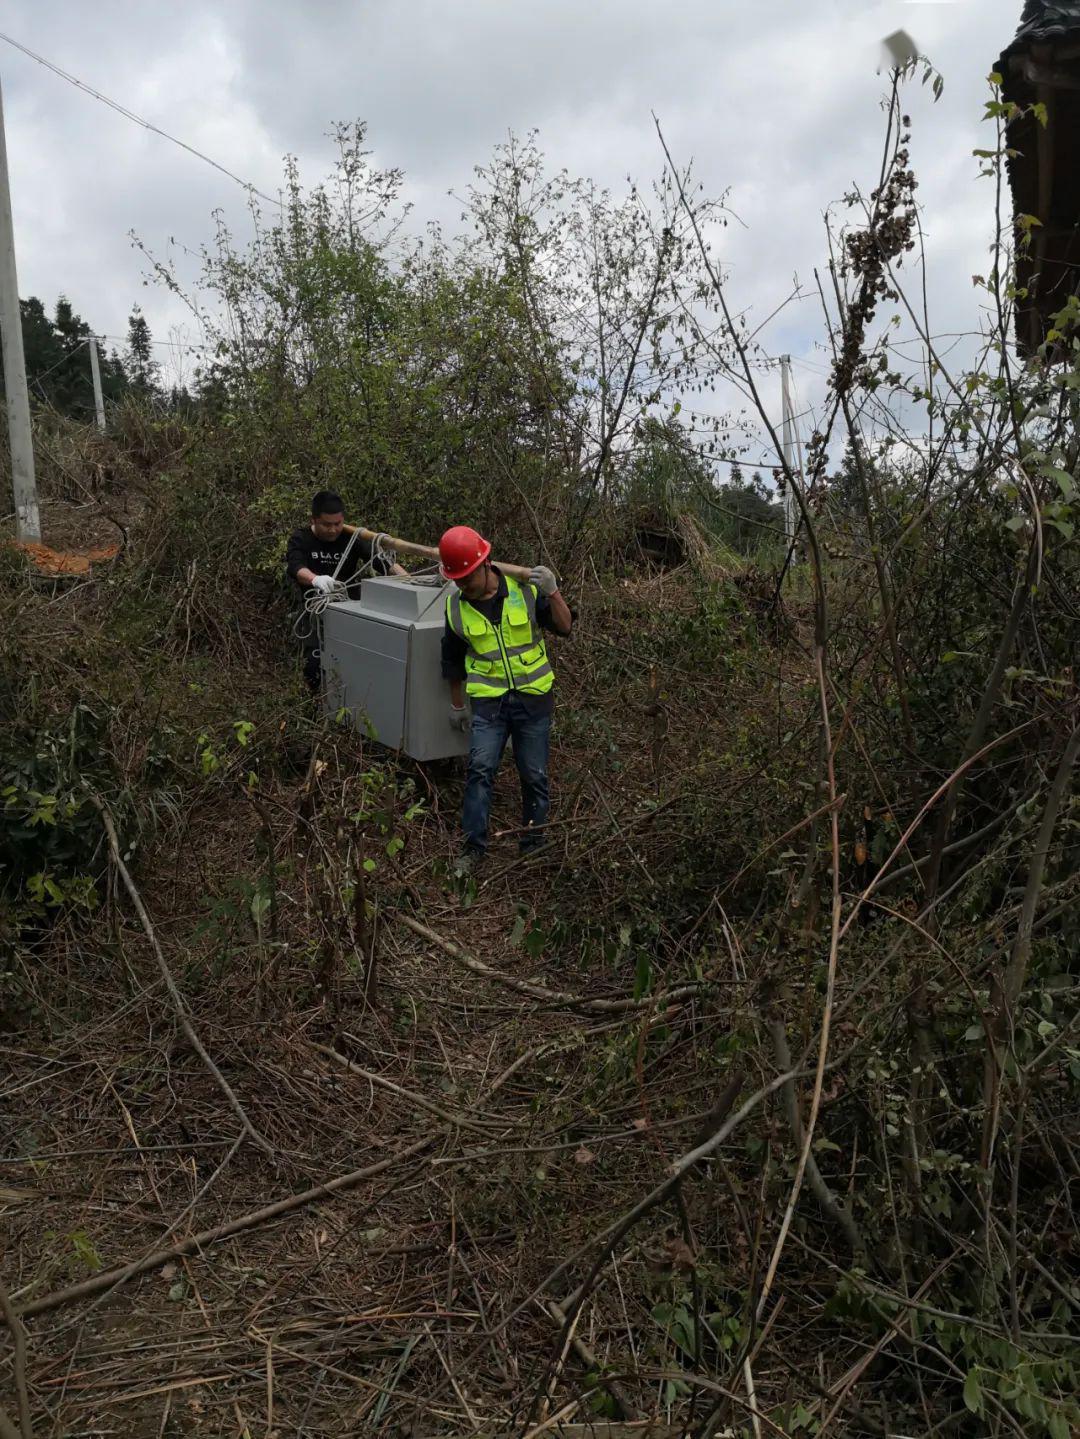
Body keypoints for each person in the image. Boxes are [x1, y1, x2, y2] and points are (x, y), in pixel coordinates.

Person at [439, 525, 573, 872]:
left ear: (485, 564)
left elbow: (566, 626)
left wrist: (554, 592)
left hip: (533, 701)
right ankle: (472, 849)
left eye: (467, 577)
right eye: (456, 579)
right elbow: (452, 662)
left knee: (534, 774)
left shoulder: (525, 592)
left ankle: (533, 844)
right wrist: (456, 706)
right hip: (489, 706)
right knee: (480, 771)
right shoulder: (455, 608)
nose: (462, 585)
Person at [285, 491, 405, 692]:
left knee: (354, 661)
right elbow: (296, 567)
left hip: (349, 610)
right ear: (313, 520)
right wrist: (315, 579)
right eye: (326, 524)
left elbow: (383, 562)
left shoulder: (351, 539)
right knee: (314, 666)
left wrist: (410, 581)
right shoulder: (301, 538)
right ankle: (317, 706)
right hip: (314, 611)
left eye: (338, 524)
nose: (333, 530)